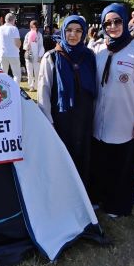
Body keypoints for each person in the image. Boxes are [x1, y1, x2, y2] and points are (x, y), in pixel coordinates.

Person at [90, 3, 134, 218]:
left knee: (120, 163)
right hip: (98, 118)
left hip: (124, 118)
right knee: (99, 161)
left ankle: (116, 205)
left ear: (125, 21)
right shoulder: (97, 49)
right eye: (107, 22)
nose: (113, 26)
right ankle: (97, 197)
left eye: (117, 21)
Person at [38, 16, 97, 191]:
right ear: (63, 31)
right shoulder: (51, 56)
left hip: (84, 115)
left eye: (78, 31)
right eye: (69, 30)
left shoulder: (89, 56)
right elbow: (44, 90)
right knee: (62, 155)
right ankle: (62, 193)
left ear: (84, 33)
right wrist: (47, 120)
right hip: (61, 117)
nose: (73, 35)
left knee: (82, 154)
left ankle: (82, 193)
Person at [0, 12, 22, 84]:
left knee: (3, 74)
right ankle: (16, 89)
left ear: (6, 20)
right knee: (16, 74)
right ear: (13, 20)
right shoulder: (14, 29)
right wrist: (20, 44)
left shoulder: (0, 28)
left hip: (3, 54)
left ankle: (3, 88)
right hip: (13, 54)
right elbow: (17, 43)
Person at [23, 20, 45, 91]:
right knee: (29, 71)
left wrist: (40, 56)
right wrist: (27, 46)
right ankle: (31, 86)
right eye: (32, 27)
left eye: (34, 27)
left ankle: (37, 86)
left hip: (36, 55)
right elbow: (24, 45)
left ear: (37, 27)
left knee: (37, 71)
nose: (33, 28)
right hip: (29, 55)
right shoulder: (28, 34)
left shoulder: (39, 35)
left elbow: (41, 46)